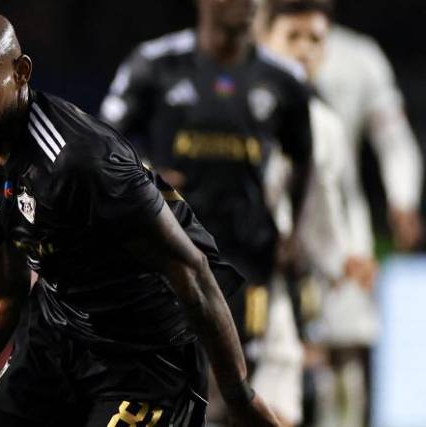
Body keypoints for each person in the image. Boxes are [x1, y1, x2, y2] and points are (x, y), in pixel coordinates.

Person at [0, 10, 280, 427]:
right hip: (58, 339)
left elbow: (192, 270)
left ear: (21, 72)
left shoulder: (81, 163)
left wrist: (239, 394)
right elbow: (0, 297)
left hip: (146, 357)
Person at [99, 0, 314, 422]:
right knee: (163, 376)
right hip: (168, 251)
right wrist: (149, 176)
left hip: (245, 255)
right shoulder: (155, 64)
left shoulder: (285, 80)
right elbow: (102, 144)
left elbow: (304, 159)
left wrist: (293, 231)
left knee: (232, 379)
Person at [253, 1, 371, 425]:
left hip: (272, 286)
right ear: (263, 38)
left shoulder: (325, 125)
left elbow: (320, 207)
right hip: (208, 272)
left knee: (278, 409)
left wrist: (341, 258)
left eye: (315, 40)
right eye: (293, 37)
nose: (304, 49)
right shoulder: (230, 100)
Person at [316, 16, 423, 254]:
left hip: (344, 231)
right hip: (260, 229)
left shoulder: (358, 56)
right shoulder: (242, 52)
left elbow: (394, 141)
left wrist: (402, 198)